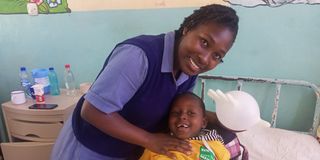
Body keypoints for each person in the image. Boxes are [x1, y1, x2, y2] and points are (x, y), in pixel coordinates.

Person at [51, 3, 239, 160]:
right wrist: (149, 139)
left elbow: (176, 107)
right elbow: (93, 111)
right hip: (92, 148)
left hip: (133, 151)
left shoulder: (188, 67)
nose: (205, 59)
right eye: (204, 42)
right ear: (188, 28)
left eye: (217, 56)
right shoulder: (138, 56)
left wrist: (224, 119)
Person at [139, 92, 230, 160]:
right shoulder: (157, 144)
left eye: (191, 113)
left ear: (203, 122)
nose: (182, 117)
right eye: (176, 113)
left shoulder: (214, 145)